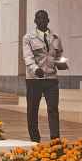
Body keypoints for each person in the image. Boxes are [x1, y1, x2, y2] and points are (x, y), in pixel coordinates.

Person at [22, 9, 63, 142]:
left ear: (48, 20)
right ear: (35, 21)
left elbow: (59, 55)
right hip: (34, 79)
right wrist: (35, 69)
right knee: (33, 110)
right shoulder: (28, 37)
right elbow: (27, 57)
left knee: (53, 109)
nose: (42, 20)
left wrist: (62, 64)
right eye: (39, 18)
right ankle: (35, 138)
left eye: (44, 18)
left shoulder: (55, 37)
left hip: (51, 78)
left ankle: (55, 139)